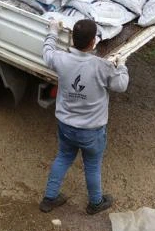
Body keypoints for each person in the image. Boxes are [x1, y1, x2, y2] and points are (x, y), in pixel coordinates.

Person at [39, 18, 129, 215]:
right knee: (92, 165)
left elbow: (47, 53)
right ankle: (95, 202)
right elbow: (121, 85)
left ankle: (49, 198)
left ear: (72, 38)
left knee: (63, 157)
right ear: (93, 42)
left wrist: (53, 31)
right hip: (92, 130)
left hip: (66, 125)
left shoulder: (61, 59)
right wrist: (122, 65)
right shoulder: (101, 66)